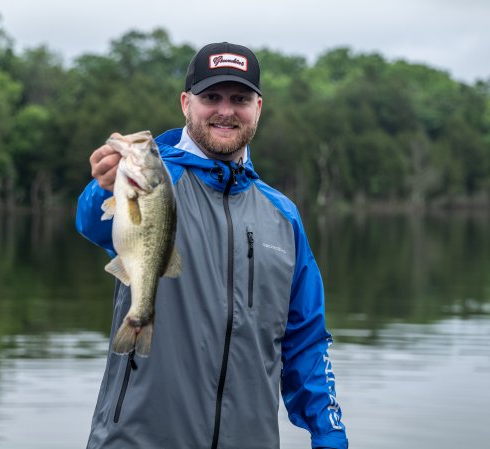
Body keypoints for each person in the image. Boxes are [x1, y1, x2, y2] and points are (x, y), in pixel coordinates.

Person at [76, 42, 348, 449]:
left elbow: (305, 337)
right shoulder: (154, 179)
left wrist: (328, 433)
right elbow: (91, 223)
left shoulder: (284, 215)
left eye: (239, 98)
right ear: (186, 103)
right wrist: (104, 186)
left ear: (258, 107)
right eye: (211, 97)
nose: (225, 110)